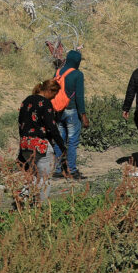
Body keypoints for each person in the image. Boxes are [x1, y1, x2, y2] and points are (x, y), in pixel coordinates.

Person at [17, 79, 66, 203]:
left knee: (33, 177)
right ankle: (40, 208)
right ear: (50, 90)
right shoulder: (45, 103)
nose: (54, 98)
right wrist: (62, 146)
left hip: (25, 144)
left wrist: (22, 146)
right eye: (54, 94)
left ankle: (23, 203)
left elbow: (21, 124)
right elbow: (52, 127)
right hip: (40, 145)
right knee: (45, 180)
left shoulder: (26, 101)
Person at [53, 50, 90, 180]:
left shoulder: (57, 72)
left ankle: (57, 170)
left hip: (58, 111)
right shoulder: (77, 74)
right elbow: (79, 96)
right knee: (73, 142)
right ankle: (72, 170)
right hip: (72, 111)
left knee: (59, 140)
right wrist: (83, 115)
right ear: (77, 62)